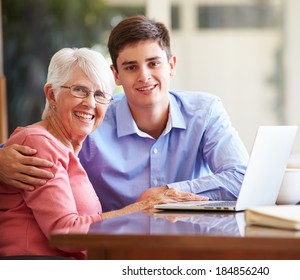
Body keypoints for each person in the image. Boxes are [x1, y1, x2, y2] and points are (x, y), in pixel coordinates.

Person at [0, 15, 249, 212]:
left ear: (171, 65)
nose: (144, 76)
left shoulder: (205, 112)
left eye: (154, 63)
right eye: (131, 67)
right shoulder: (91, 118)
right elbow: (36, 145)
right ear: (116, 75)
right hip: (114, 251)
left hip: (190, 244)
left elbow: (241, 178)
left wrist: (167, 191)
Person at [0, 47, 206, 259]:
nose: (90, 103)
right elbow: (65, 233)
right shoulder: (38, 143)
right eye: (79, 90)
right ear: (52, 95)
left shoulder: (67, 148)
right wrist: (143, 208)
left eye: (99, 95)